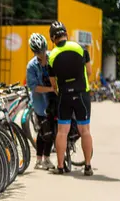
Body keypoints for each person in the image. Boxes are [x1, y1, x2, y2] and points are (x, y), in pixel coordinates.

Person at [47, 21, 94, 176]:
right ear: (66, 34)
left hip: (64, 96)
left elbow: (53, 84)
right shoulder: (80, 48)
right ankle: (87, 166)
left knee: (62, 131)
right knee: (85, 131)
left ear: (53, 38)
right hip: (82, 93)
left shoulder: (52, 56)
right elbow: (89, 71)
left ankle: (60, 167)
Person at [26, 33, 57, 170]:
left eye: (43, 50)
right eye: (39, 52)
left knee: (51, 130)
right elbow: (34, 87)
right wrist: (51, 88)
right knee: (43, 131)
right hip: (40, 102)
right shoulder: (31, 66)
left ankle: (46, 159)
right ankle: (39, 160)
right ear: (34, 52)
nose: (42, 54)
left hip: (53, 101)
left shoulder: (53, 57)